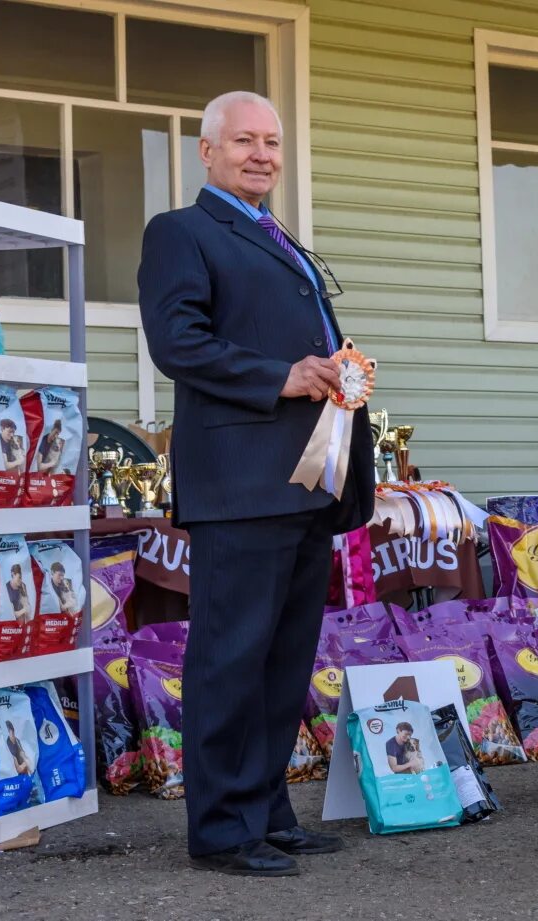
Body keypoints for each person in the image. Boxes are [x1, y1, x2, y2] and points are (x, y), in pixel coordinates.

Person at [138, 90, 375, 877]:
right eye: (244, 141)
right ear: (206, 152)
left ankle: (266, 811)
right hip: (240, 485)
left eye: (272, 142)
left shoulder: (281, 238)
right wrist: (283, 376)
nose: (262, 154)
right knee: (230, 658)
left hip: (305, 483)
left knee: (281, 661)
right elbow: (178, 342)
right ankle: (220, 828)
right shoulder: (181, 232)